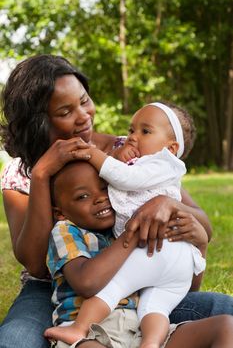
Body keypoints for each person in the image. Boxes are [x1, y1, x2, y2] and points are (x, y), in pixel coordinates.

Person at [0, 54, 233, 348]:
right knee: (14, 341)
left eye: (84, 101)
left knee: (226, 311)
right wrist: (43, 174)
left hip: (135, 286)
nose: (83, 115)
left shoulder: (128, 151)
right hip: (50, 292)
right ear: (40, 122)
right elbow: (35, 264)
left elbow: (199, 221)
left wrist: (170, 205)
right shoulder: (20, 174)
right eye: (65, 111)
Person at [44, 101, 206, 348]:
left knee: (116, 286)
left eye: (144, 131)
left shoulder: (155, 165)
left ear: (172, 148)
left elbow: (124, 177)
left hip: (156, 253)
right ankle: (151, 343)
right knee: (156, 308)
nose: (132, 138)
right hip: (176, 265)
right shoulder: (150, 164)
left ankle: (80, 327)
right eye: (131, 130)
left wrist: (92, 153)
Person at [44, 160, 233, 348]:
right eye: (83, 196)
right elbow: (85, 283)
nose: (100, 198)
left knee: (226, 327)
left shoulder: (124, 223)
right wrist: (132, 233)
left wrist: (199, 247)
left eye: (104, 189)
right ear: (60, 213)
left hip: (141, 331)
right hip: (87, 332)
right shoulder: (66, 230)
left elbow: (183, 289)